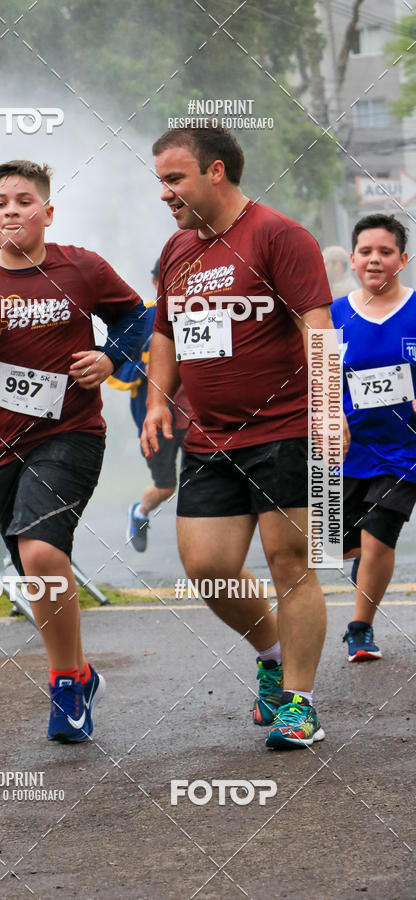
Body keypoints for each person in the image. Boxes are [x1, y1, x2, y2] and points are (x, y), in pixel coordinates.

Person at [0, 160, 144, 743]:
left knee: (41, 554)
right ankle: (80, 671)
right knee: (32, 569)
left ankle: (65, 682)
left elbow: (139, 318)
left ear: (48, 211)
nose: (12, 210)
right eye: (1, 202)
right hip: (0, 449)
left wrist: (110, 358)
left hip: (70, 433)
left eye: (24, 200)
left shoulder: (81, 267)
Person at [142, 126, 345, 750]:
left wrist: (329, 408)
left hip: (284, 429)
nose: (165, 194)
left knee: (291, 563)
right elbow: (167, 335)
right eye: (160, 183)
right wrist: (156, 402)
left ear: (217, 173)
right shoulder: (177, 252)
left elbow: (317, 326)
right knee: (208, 568)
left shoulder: (279, 236)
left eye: (174, 180)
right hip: (208, 440)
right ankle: (272, 654)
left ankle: (299, 703)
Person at [331, 214, 416, 661]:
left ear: (402, 259)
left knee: (380, 535)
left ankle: (359, 627)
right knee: (332, 545)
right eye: (366, 252)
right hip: (345, 451)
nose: (375, 260)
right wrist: (329, 413)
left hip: (404, 451)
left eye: (385, 252)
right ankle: (362, 561)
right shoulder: (332, 314)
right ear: (352, 259)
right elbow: (312, 377)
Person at [107, 259, 192, 551]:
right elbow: (115, 374)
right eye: (172, 281)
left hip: (199, 418)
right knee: (166, 487)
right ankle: (139, 512)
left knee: (204, 483)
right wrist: (151, 359)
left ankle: (204, 551)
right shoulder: (140, 318)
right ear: (157, 283)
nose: (181, 288)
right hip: (155, 419)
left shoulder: (204, 313)